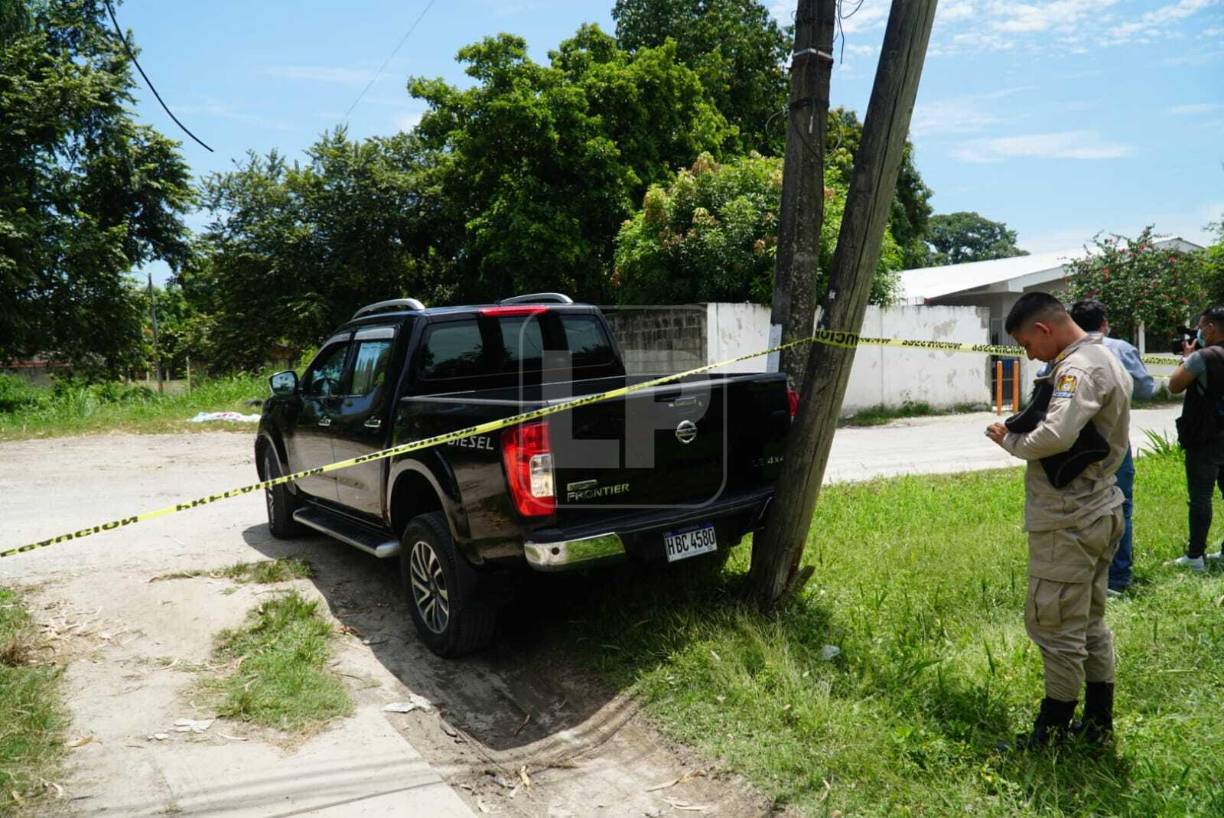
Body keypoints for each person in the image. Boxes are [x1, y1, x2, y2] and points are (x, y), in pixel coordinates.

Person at [986, 293, 1132, 747]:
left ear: (1044, 330)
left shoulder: (1077, 369)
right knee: (1088, 621)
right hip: (1099, 508)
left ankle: (1052, 732)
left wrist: (1007, 442)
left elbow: (1054, 435)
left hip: (1070, 519)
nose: (1028, 354)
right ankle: (1097, 723)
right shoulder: (1102, 356)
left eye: (1027, 343)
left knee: (1054, 625)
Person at [1068, 299, 1155, 594]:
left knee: (1077, 508)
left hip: (1074, 447)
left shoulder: (1064, 352)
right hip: (1116, 442)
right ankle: (1117, 580)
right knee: (1121, 507)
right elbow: (1146, 388)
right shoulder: (1121, 349)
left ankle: (1082, 576)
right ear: (1104, 323)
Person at [1166, 306, 1224, 571]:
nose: (1198, 332)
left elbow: (1174, 385)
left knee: (1201, 495)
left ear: (1211, 327)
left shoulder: (1204, 356)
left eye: (1201, 326)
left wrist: (1187, 357)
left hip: (1206, 437)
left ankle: (1195, 556)